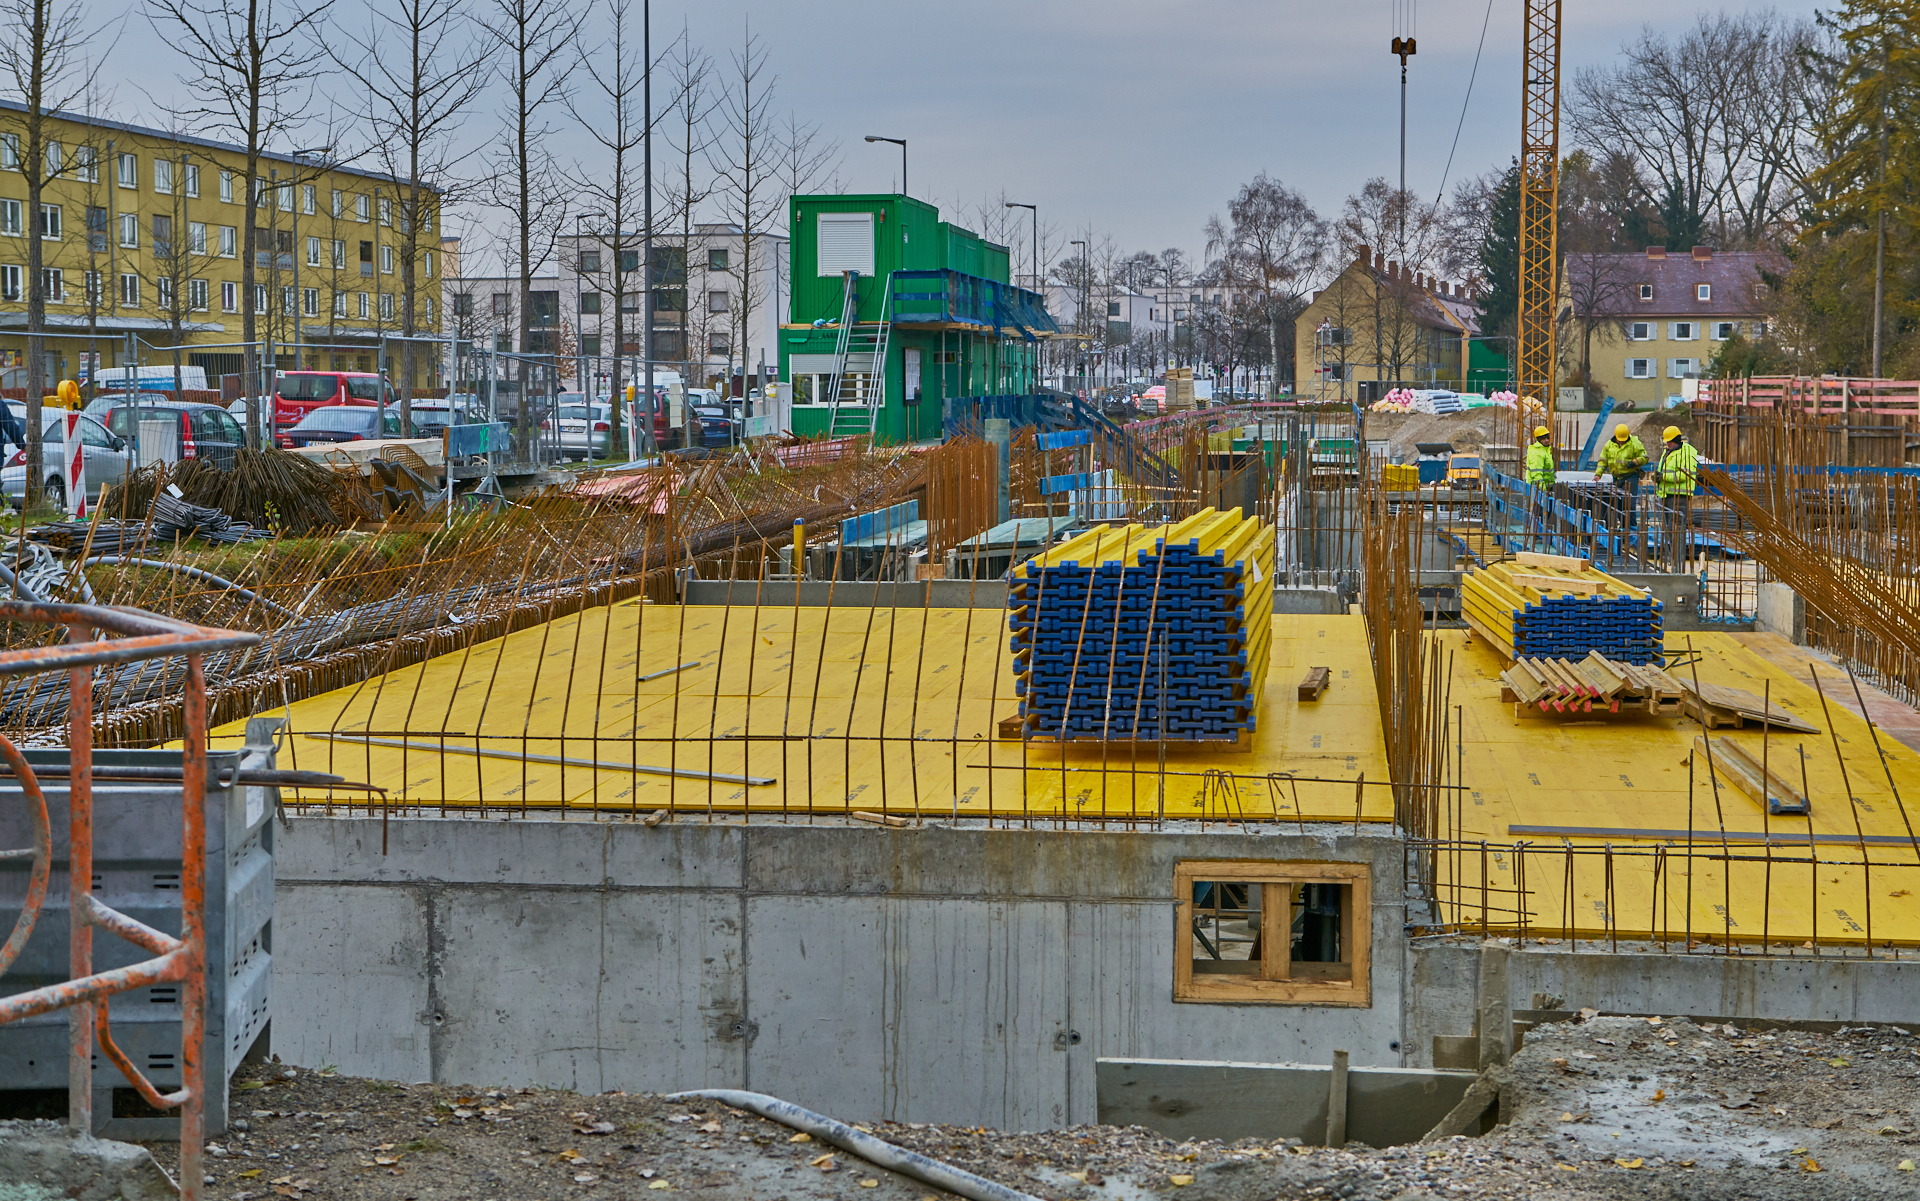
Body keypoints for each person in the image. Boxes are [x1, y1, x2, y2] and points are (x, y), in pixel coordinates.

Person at [1656, 426, 1701, 570]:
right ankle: (1672, 557)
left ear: (1677, 440)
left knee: (1677, 529)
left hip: (1679, 497)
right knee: (1669, 529)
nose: (1667, 444)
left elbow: (1683, 475)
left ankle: (1678, 560)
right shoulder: (1668, 452)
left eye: (1670, 442)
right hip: (1667, 495)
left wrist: (1662, 477)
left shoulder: (1686, 453)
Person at [1595, 422, 1649, 537]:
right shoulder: (1609, 445)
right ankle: (1621, 529)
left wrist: (1635, 462)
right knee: (1617, 505)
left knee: (1629, 505)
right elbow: (1603, 461)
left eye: (1623, 440)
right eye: (1620, 440)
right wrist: (1598, 474)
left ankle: (1630, 531)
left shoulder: (1635, 443)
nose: (1621, 442)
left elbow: (1644, 457)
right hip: (1616, 478)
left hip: (1630, 477)